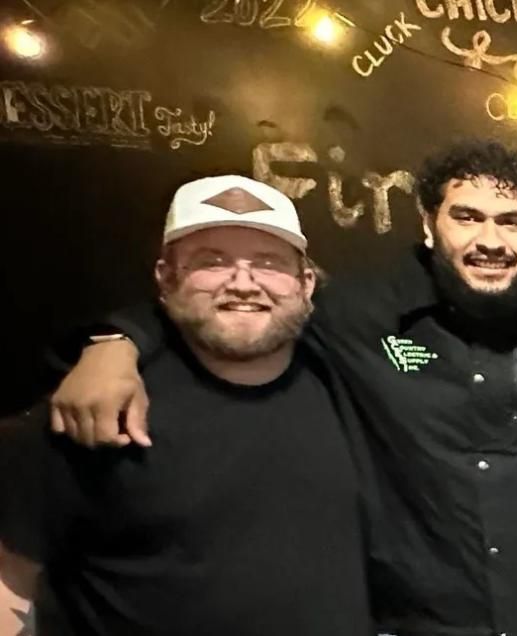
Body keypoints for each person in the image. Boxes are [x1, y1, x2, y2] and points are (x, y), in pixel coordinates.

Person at [49, 140, 517, 636]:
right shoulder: (357, 313)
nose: (490, 240)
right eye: (466, 217)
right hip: (411, 622)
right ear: (428, 224)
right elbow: (239, 309)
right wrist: (116, 341)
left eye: (510, 222)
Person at [0, 175, 370, 635]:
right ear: (166, 278)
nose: (243, 283)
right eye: (212, 262)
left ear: (306, 283)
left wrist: (117, 339)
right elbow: (10, 582)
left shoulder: (351, 386)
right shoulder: (91, 408)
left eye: (268, 263)